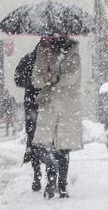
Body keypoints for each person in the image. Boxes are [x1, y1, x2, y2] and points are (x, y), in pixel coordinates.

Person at [29, 36, 83, 198]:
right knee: (48, 145)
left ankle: (62, 184)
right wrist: (44, 79)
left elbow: (73, 76)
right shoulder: (43, 51)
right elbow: (35, 79)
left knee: (63, 147)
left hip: (67, 106)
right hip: (49, 105)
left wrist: (55, 78)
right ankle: (51, 182)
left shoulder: (73, 52)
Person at [14, 47, 43, 191]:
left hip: (44, 105)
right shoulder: (29, 59)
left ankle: (45, 174)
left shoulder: (52, 61)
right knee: (34, 139)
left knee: (42, 140)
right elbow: (18, 79)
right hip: (33, 105)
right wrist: (32, 81)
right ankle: (37, 174)